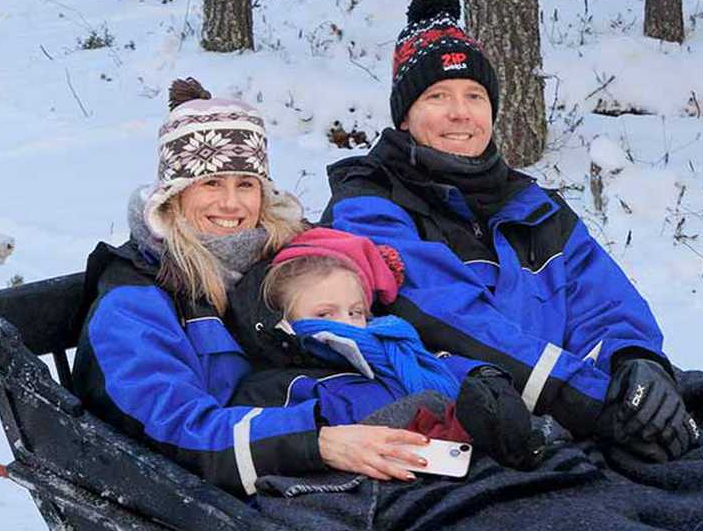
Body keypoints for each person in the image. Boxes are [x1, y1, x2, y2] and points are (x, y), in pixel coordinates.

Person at [324, 0, 698, 463]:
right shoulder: (366, 207)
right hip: (466, 422)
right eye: (438, 96)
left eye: (474, 96)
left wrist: (635, 363)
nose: (460, 113)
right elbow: (452, 319)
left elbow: (603, 302)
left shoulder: (536, 208)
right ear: (405, 116)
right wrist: (596, 400)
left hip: (576, 404)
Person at [71, 80, 433, 495]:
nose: (232, 205)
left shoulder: (284, 258)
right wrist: (314, 443)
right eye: (211, 184)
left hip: (343, 445)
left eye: (245, 185)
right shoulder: (135, 302)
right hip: (226, 493)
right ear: (173, 196)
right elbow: (173, 424)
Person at [227, 227, 546, 470]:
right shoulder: (280, 387)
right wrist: (439, 419)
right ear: (282, 320)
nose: (348, 325)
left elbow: (440, 363)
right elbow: (289, 450)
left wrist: (487, 378)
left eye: (355, 312)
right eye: (325, 314)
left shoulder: (393, 347)